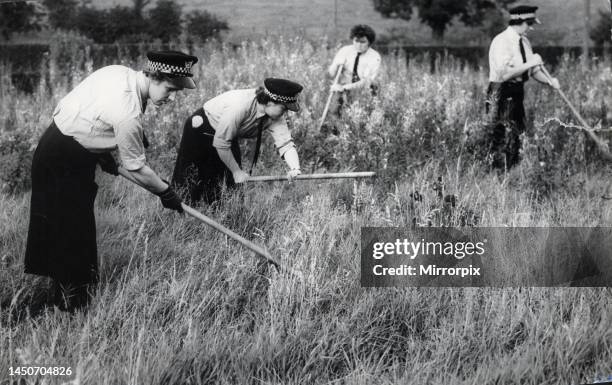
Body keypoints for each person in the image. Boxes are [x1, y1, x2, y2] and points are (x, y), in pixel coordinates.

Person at [24, 51, 197, 312]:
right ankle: (71, 306)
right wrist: (165, 192)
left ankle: (63, 297)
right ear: (153, 76)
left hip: (58, 143)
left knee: (67, 228)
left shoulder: (119, 71)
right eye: (170, 89)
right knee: (72, 231)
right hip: (64, 159)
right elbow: (136, 168)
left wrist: (100, 149)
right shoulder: (128, 113)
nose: (172, 98)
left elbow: (86, 109)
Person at [171, 78, 303, 204]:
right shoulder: (240, 106)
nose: (285, 113)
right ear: (269, 102)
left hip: (227, 135)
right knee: (190, 179)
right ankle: (183, 217)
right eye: (284, 108)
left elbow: (286, 144)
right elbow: (221, 143)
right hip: (201, 127)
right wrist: (236, 172)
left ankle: (222, 217)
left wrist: (295, 168)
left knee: (229, 187)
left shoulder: (275, 116)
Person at [486, 5, 560, 169]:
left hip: (517, 91)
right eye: (529, 23)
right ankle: (496, 176)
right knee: (501, 135)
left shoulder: (524, 42)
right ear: (519, 22)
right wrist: (531, 62)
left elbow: (533, 71)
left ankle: (512, 174)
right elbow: (504, 74)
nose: (530, 27)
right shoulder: (501, 41)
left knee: (518, 134)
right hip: (500, 91)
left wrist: (550, 81)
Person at [326, 24, 381, 122]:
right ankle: (335, 133)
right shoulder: (345, 51)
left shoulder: (374, 57)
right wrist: (336, 66)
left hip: (363, 89)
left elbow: (366, 81)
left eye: (363, 42)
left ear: (369, 43)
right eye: (356, 41)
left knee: (359, 116)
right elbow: (330, 74)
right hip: (343, 85)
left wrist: (345, 88)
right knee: (334, 110)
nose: (358, 45)